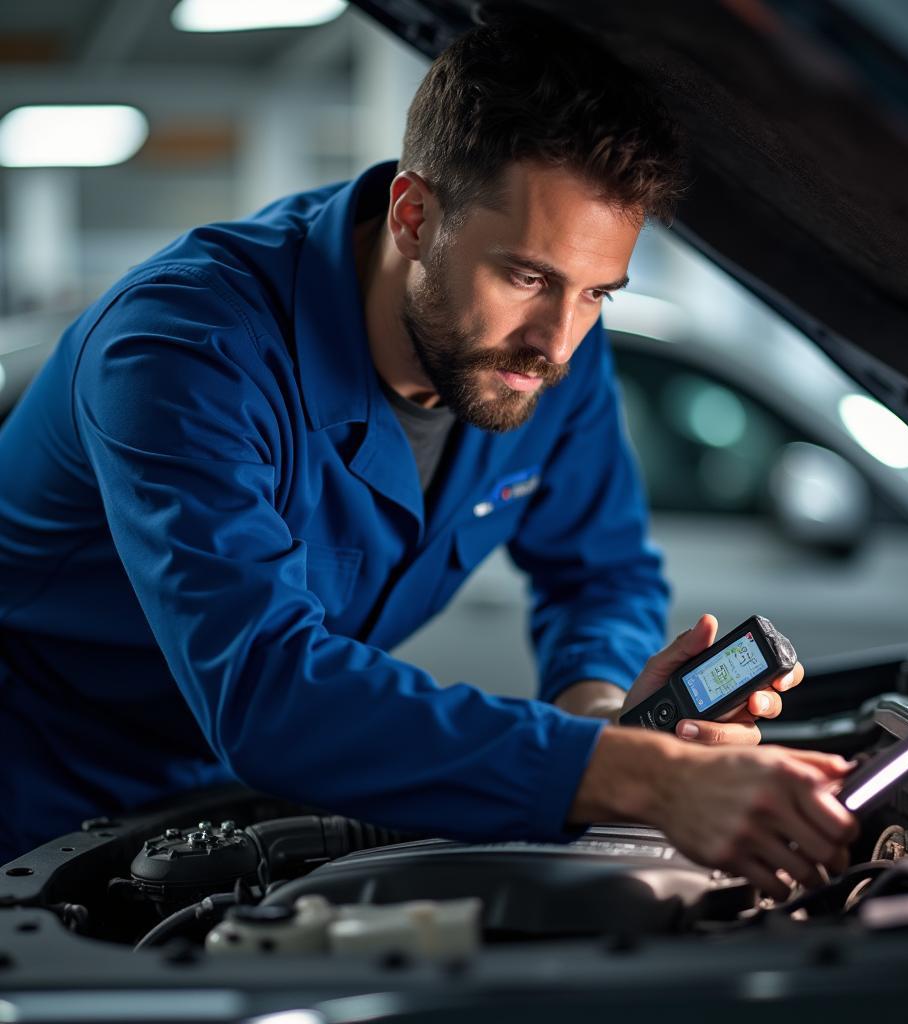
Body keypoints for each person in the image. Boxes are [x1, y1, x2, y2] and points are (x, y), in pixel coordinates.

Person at [0, 14, 856, 894]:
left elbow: (599, 572)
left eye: (595, 291)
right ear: (414, 217)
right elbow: (270, 690)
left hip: (229, 802)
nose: (557, 343)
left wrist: (602, 710)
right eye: (525, 276)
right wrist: (642, 778)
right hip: (35, 793)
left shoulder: (553, 351)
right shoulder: (183, 349)